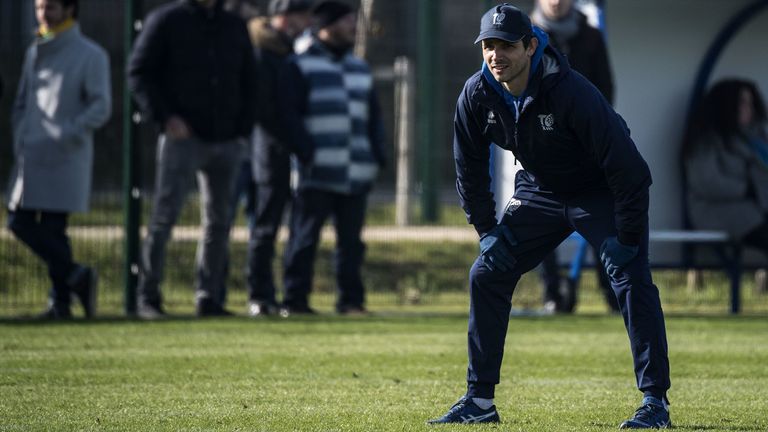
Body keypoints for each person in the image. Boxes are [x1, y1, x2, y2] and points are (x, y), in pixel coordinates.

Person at [428, 4, 671, 428]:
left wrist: (628, 237)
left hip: (600, 192)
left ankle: (655, 404)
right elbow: (467, 165)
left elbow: (631, 173)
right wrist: (486, 231)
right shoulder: (477, 94)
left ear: (530, 46)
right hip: (539, 190)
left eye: (505, 45)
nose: (494, 55)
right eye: (487, 45)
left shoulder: (572, 91)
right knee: (486, 273)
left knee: (630, 277)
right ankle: (480, 401)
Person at [128, 0, 258, 319]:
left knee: (219, 222)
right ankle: (148, 296)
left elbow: (251, 81)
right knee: (164, 218)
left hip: (227, 140)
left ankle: (208, 297)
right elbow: (139, 73)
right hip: (182, 139)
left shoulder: (233, 25)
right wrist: (165, 117)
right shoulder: (166, 20)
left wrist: (241, 128)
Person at [280, 0, 386, 316]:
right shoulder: (299, 64)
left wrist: (377, 154)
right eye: (346, 22)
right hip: (316, 171)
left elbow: (374, 118)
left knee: (351, 244)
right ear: (325, 26)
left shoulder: (358, 67)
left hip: (356, 171)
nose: (353, 28)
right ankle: (295, 300)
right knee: (304, 238)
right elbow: (289, 116)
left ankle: (351, 300)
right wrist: (306, 153)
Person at [6, 0, 110, 320]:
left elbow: (100, 106)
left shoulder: (90, 54)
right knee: (19, 221)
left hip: (64, 155)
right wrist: (21, 132)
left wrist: (67, 132)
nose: (43, 14)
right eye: (39, 8)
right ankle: (74, 278)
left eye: (50, 7)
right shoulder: (35, 49)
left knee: (53, 228)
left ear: (69, 9)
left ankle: (60, 301)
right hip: (32, 152)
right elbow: (23, 101)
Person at [531, 0, 617, 314]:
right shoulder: (524, 35)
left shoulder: (591, 36)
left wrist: (590, 129)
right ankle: (552, 293)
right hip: (542, 144)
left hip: (586, 145)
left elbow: (606, 89)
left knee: (601, 218)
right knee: (540, 219)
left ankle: (612, 293)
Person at [245, 0, 314, 317]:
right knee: (265, 225)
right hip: (270, 149)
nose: (304, 23)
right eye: (299, 16)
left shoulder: (286, 53)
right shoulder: (264, 53)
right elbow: (270, 111)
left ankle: (278, 295)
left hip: (284, 149)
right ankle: (259, 295)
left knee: (278, 226)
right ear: (284, 17)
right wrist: (297, 142)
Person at [684, 79, 768, 257]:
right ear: (726, 105)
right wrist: (748, 189)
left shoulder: (756, 138)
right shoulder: (706, 139)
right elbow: (706, 181)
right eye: (742, 103)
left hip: (756, 212)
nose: (748, 109)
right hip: (722, 213)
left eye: (751, 103)